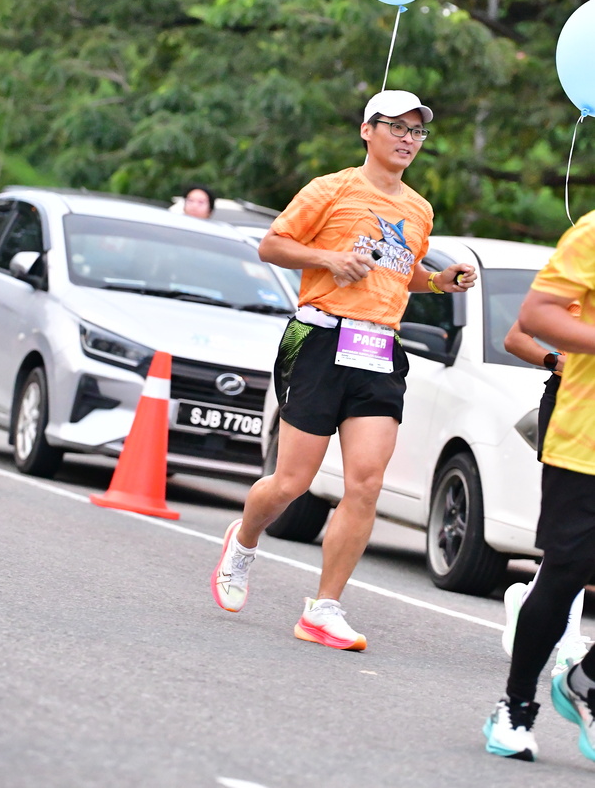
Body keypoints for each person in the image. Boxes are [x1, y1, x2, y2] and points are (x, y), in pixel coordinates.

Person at [210, 89, 476, 650]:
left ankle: (324, 608)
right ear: (366, 131)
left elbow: (399, 272)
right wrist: (327, 258)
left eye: (416, 131)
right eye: (396, 127)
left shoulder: (419, 208)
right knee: (292, 483)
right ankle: (245, 540)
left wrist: (438, 281)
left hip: (379, 349)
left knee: (366, 484)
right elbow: (272, 245)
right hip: (319, 340)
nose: (408, 139)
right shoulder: (331, 188)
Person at [484, 211, 595, 764]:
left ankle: (586, 682)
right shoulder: (592, 233)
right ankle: (515, 706)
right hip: (586, 441)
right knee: (566, 574)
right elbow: (534, 317)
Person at [501, 315, 590, 679]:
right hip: (571, 408)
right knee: (575, 529)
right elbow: (515, 338)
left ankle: (528, 601)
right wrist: (556, 361)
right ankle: (568, 642)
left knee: (582, 535)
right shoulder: (574, 288)